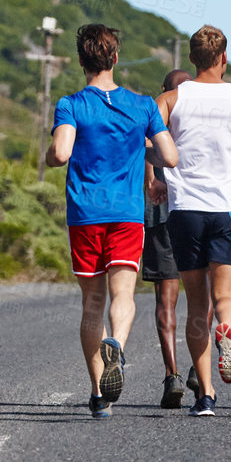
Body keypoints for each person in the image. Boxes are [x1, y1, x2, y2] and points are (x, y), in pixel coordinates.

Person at [47, 24, 179, 418]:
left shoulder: (71, 104)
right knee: (124, 295)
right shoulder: (142, 106)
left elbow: (62, 151)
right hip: (126, 216)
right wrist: (140, 149)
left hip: (85, 214)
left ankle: (98, 394)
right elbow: (169, 157)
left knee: (92, 302)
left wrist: (50, 156)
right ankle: (117, 344)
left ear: (82, 60)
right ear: (115, 59)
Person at [157, 26, 231, 417]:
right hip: (228, 208)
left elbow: (149, 145)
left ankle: (205, 395)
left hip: (185, 211)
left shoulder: (170, 99)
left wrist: (161, 176)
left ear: (191, 60)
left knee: (196, 305)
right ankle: (226, 327)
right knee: (226, 299)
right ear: (224, 58)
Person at [144, 67, 192, 408]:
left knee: (167, 301)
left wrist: (150, 178)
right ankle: (198, 369)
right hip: (204, 214)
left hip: (162, 217)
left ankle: (172, 373)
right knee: (205, 298)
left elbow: (145, 145)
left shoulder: (156, 114)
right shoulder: (205, 120)